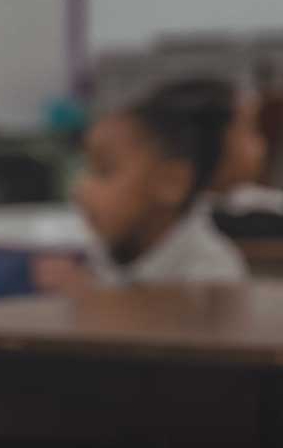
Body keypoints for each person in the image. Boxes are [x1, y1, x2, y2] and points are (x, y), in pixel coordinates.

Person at [35, 77, 246, 294]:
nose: (80, 189)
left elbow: (156, 324)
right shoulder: (105, 252)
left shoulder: (213, 273)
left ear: (171, 183)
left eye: (104, 171)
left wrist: (90, 299)